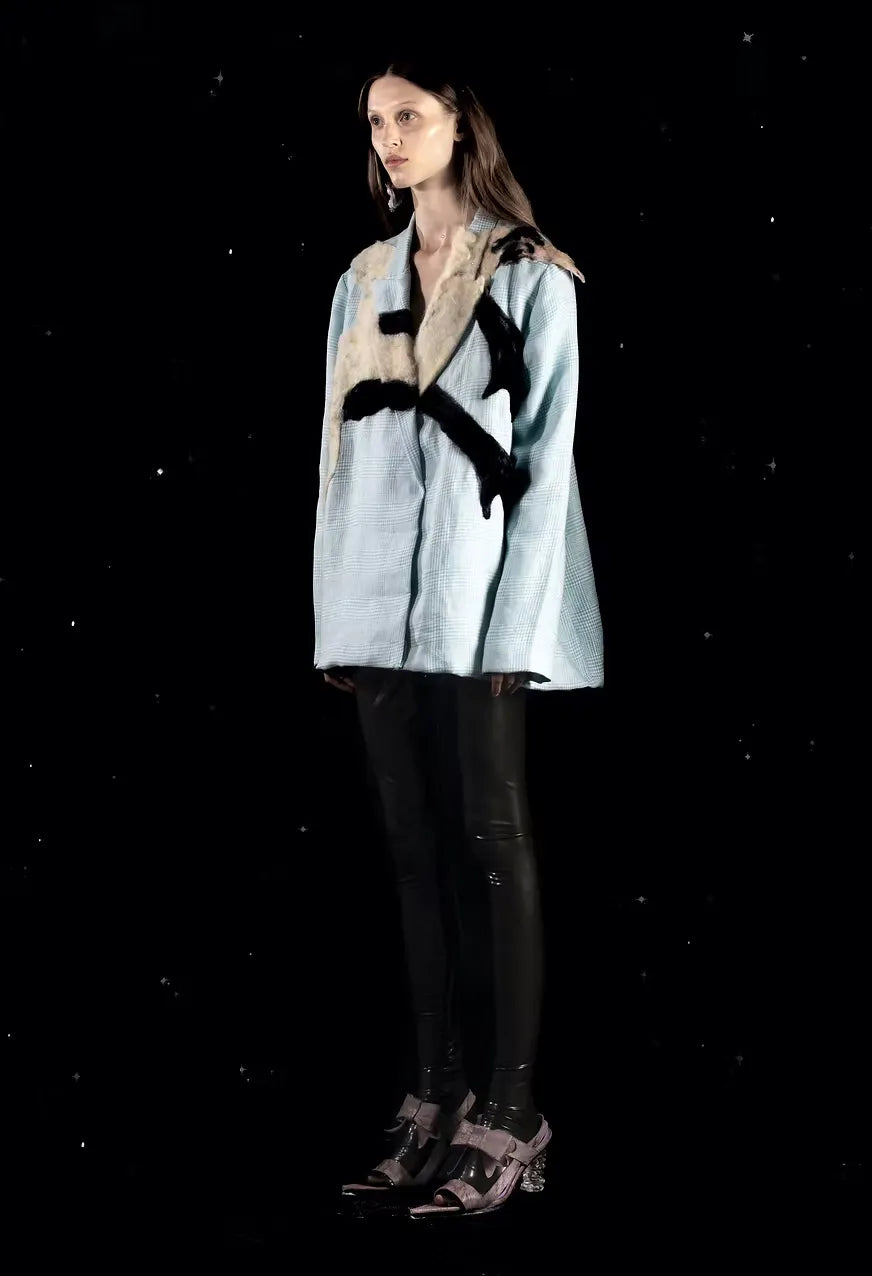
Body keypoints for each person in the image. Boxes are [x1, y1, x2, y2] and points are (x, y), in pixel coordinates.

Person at [313, 57, 604, 1218]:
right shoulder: (362, 277)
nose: (388, 138)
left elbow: (545, 462)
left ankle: (513, 1109)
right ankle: (433, 1092)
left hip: (479, 606)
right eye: (375, 121)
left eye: (409, 116)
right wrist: (334, 612)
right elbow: (337, 458)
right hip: (375, 605)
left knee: (493, 838)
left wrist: (516, 627)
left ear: (458, 123)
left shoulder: (530, 275)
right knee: (411, 845)